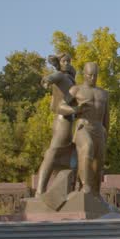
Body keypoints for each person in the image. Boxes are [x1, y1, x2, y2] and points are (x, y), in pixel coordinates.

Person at [34, 54, 76, 196]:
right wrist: (46, 82)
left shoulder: (70, 78)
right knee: (53, 152)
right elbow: (50, 78)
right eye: (64, 61)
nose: (67, 63)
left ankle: (65, 190)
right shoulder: (60, 75)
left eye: (69, 61)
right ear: (59, 63)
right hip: (62, 120)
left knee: (68, 154)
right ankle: (40, 191)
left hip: (69, 121)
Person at [69, 62, 109, 195]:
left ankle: (96, 193)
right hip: (83, 126)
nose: (93, 78)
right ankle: (85, 185)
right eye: (90, 75)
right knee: (87, 146)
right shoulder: (76, 90)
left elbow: (106, 117)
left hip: (98, 128)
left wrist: (106, 134)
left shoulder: (104, 93)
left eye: (95, 75)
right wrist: (76, 109)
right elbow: (60, 106)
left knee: (99, 161)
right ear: (84, 74)